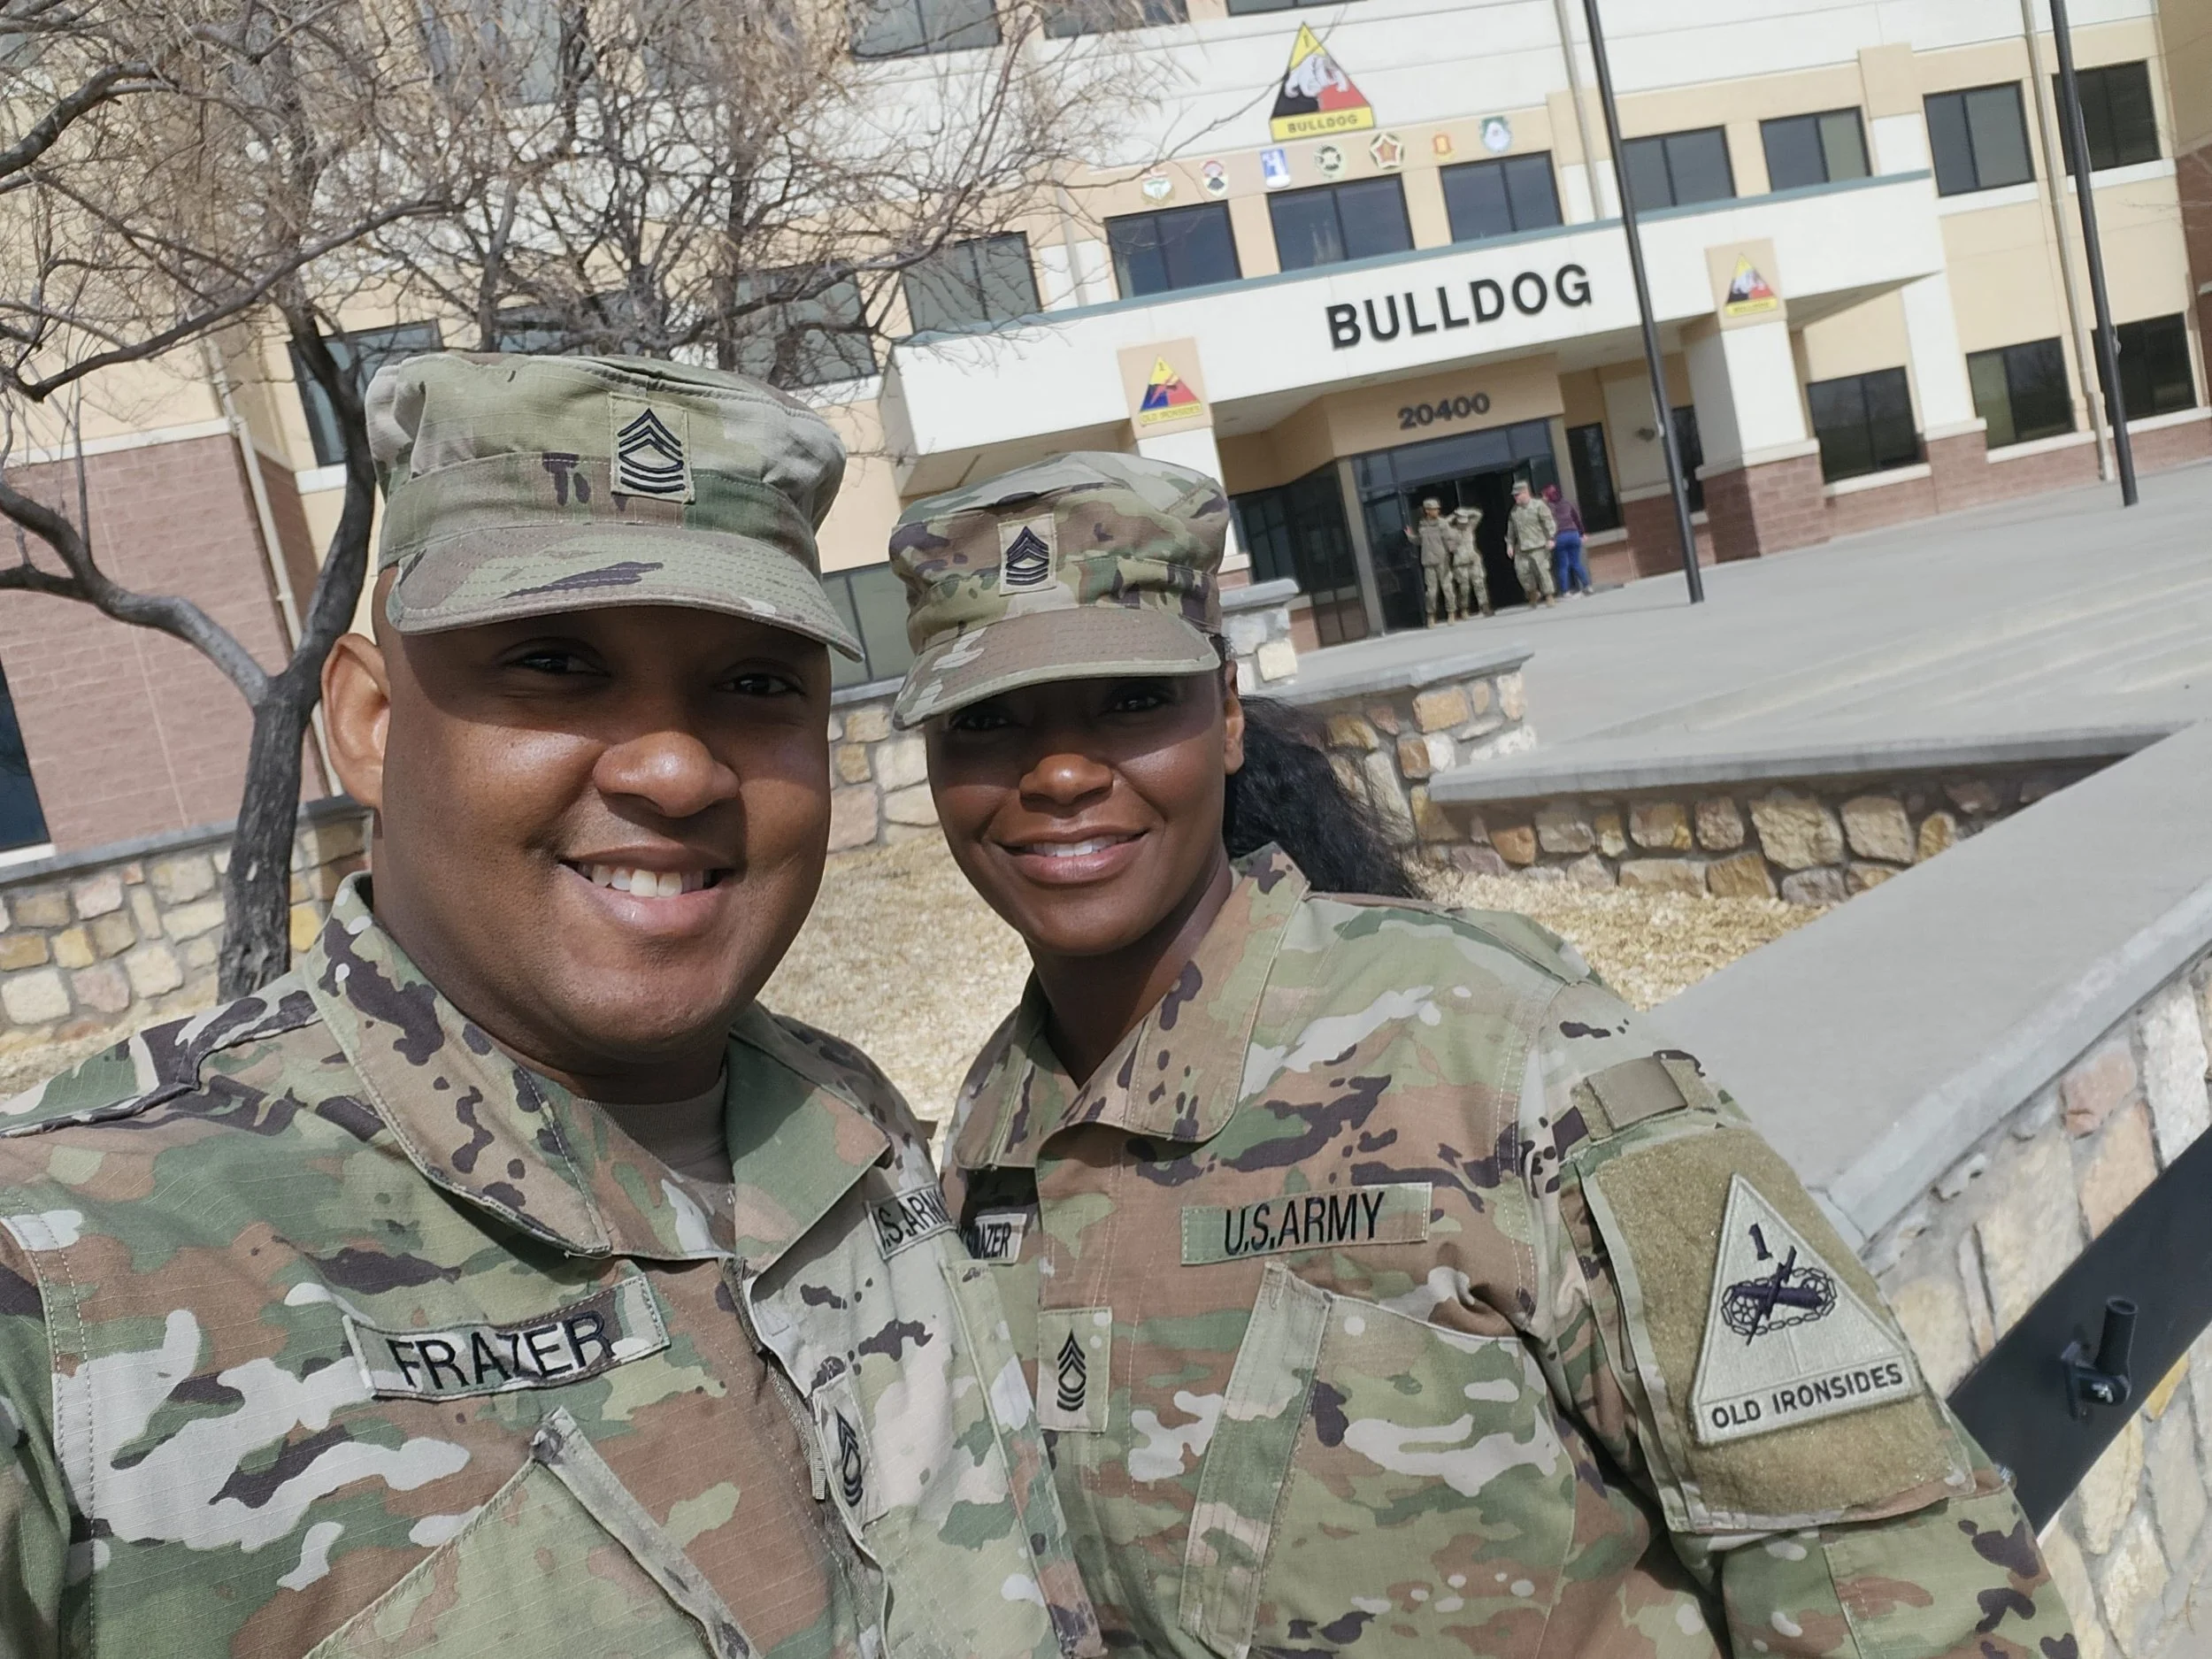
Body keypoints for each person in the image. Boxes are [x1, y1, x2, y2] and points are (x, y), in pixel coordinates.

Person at [886, 449, 2075, 1659]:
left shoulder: (1499, 1047)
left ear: (1228, 715)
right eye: (986, 720)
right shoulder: (989, 1133)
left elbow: (1887, 1570)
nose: (1061, 771)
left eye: (1131, 699)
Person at [0, 354, 1099, 1659]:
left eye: (756, 683)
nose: (678, 766)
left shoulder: (847, 1119)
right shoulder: (75, 1268)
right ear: (365, 720)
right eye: (555, 661)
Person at [1402, 496, 1456, 625]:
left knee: (1447, 588)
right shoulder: (1422, 524)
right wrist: (1410, 536)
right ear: (1427, 511)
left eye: (1437, 509)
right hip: (1428, 562)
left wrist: (1453, 549)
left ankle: (1451, 613)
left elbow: (1451, 538)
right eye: (1434, 509)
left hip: (1442, 561)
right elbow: (1420, 541)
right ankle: (1431, 615)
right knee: (1431, 592)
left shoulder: (1442, 523)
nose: (1437, 511)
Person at [1506, 477, 1558, 607]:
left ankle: (1549, 596)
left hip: (1539, 545)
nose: (1516, 498)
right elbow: (1511, 530)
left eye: (1518, 495)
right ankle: (1533, 593)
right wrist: (1510, 545)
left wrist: (1551, 538)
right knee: (1522, 573)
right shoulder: (1514, 511)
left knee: (1542, 572)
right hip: (1522, 548)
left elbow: (1549, 523)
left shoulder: (1539, 505)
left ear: (1526, 492)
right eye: (1514, 496)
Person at [1545, 481, 1594, 596]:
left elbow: (1548, 524)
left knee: (1563, 565)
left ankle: (1565, 591)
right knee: (1576, 562)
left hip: (1560, 536)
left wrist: (1550, 539)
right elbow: (1577, 519)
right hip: (1573, 534)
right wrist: (1582, 533)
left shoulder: (1548, 508)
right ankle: (1587, 586)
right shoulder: (1567, 503)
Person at [1446, 503, 1491, 618]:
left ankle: (1484, 606)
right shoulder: (1451, 531)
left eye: (1465, 522)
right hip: (1460, 563)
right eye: (1461, 522)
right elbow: (1443, 525)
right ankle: (1464, 608)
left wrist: (1465, 511)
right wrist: (1453, 515)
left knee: (1479, 583)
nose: (1463, 524)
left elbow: (1478, 514)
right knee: (1464, 588)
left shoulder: (1470, 527)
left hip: (1473, 560)